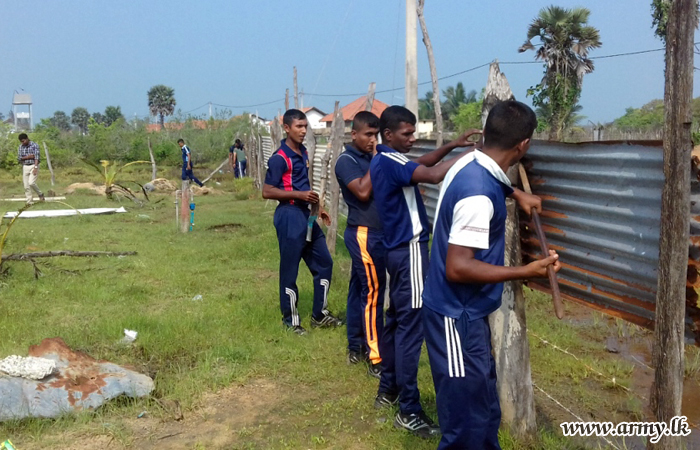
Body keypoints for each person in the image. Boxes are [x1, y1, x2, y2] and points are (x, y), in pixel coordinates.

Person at [422, 100, 561, 450]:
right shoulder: (478, 194)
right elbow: (458, 266)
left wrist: (516, 193)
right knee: (464, 424)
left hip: (468, 314)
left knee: (483, 410)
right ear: (523, 146)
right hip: (456, 316)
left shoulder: (470, 163)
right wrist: (524, 271)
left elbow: (488, 178)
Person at [369, 105, 481, 438]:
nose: (412, 138)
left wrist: (452, 146)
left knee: (396, 324)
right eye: (407, 134)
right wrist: (476, 157)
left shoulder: (386, 160)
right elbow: (432, 175)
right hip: (410, 252)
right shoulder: (389, 161)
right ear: (388, 135)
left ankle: (388, 390)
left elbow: (422, 165)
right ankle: (409, 409)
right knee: (410, 331)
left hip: (398, 253)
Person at [262, 109, 343, 335]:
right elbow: (267, 191)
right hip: (288, 216)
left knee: (324, 263)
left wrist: (319, 209)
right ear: (287, 128)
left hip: (305, 216)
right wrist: (299, 196)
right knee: (290, 270)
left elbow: (304, 186)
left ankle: (320, 315)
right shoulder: (279, 158)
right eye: (299, 126)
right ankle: (291, 321)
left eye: (305, 126)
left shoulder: (304, 152)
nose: (303, 131)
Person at [334, 111, 384, 378]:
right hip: (364, 232)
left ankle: (355, 345)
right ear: (354, 134)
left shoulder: (369, 157)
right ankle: (376, 357)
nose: (373, 140)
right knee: (373, 294)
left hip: (377, 232)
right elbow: (363, 191)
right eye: (368, 135)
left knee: (359, 291)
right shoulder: (347, 160)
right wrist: (378, 160)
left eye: (376, 135)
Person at [17, 133, 45, 204]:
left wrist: (35, 167)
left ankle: (40, 194)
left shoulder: (34, 145)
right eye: (21, 141)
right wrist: (28, 157)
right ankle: (29, 201)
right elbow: (19, 158)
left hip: (33, 165)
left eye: (23, 141)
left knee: (31, 182)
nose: (23, 143)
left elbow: (37, 157)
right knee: (26, 185)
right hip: (25, 166)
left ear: (27, 139)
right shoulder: (21, 147)